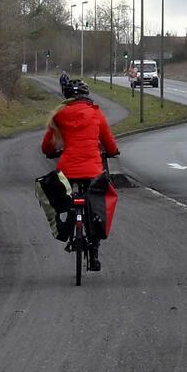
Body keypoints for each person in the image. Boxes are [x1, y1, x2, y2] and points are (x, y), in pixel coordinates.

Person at [40, 74, 119, 270]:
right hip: (93, 168)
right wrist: (112, 151)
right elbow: (108, 142)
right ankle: (94, 250)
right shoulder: (96, 113)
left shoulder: (59, 115)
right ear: (86, 95)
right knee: (96, 202)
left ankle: (67, 227)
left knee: (67, 198)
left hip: (67, 169)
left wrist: (52, 152)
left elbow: (47, 146)